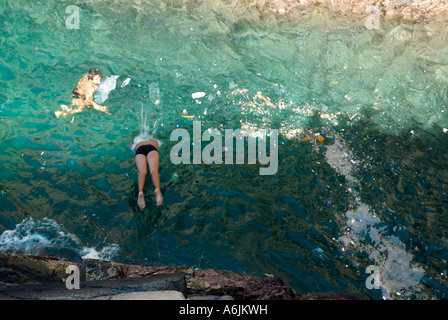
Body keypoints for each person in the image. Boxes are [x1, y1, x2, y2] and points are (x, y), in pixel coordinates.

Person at [134, 139, 163, 208]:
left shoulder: (137, 143)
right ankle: (157, 189)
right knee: (154, 171)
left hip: (139, 150)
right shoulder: (155, 141)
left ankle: (140, 191)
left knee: (142, 172)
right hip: (151, 148)